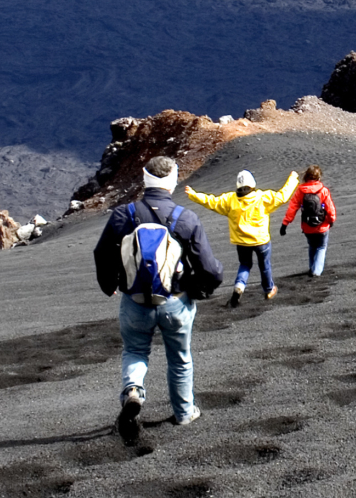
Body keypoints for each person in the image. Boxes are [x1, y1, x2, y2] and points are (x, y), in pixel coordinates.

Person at [93, 156, 224, 428]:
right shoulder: (186, 219)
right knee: (179, 360)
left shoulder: (123, 215)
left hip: (134, 301)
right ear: (173, 180)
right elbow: (209, 269)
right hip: (175, 302)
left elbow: (102, 253)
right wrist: (203, 287)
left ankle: (133, 390)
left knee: (135, 351)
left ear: (145, 178)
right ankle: (184, 413)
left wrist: (110, 285)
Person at [186, 168, 298, 303]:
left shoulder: (230, 199)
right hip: (260, 240)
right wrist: (293, 178)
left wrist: (193, 194)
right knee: (264, 265)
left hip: (241, 242)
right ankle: (269, 289)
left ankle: (240, 285)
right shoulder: (262, 197)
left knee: (245, 264)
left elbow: (211, 201)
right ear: (252, 184)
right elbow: (282, 196)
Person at [280, 165, 337, 276]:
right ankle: (316, 271)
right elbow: (330, 208)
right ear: (319, 178)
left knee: (312, 246)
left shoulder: (300, 191)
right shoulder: (323, 190)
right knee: (321, 247)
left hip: (307, 226)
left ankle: (312, 268)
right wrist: (332, 220)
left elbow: (292, 208)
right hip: (322, 226)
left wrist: (285, 223)